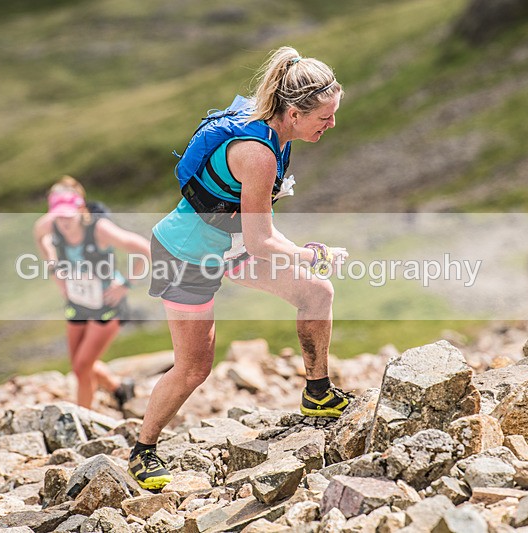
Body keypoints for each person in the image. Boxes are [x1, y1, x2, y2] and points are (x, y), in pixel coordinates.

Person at [127, 46, 351, 491]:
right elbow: (261, 241)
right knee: (194, 367)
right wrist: (312, 253)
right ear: (292, 111)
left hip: (228, 247)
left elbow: (252, 232)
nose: (331, 124)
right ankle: (142, 451)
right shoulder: (258, 153)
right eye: (324, 117)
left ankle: (318, 393)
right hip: (184, 254)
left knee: (316, 293)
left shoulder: (277, 134)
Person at [33, 176, 150, 410]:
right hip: (76, 302)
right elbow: (42, 241)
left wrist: (126, 283)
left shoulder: (100, 229)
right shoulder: (46, 225)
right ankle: (119, 389)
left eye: (69, 216)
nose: (64, 222)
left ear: (81, 209)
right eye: (59, 216)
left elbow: (145, 250)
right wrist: (57, 275)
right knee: (79, 363)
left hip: (107, 304)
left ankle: (84, 420)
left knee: (82, 367)